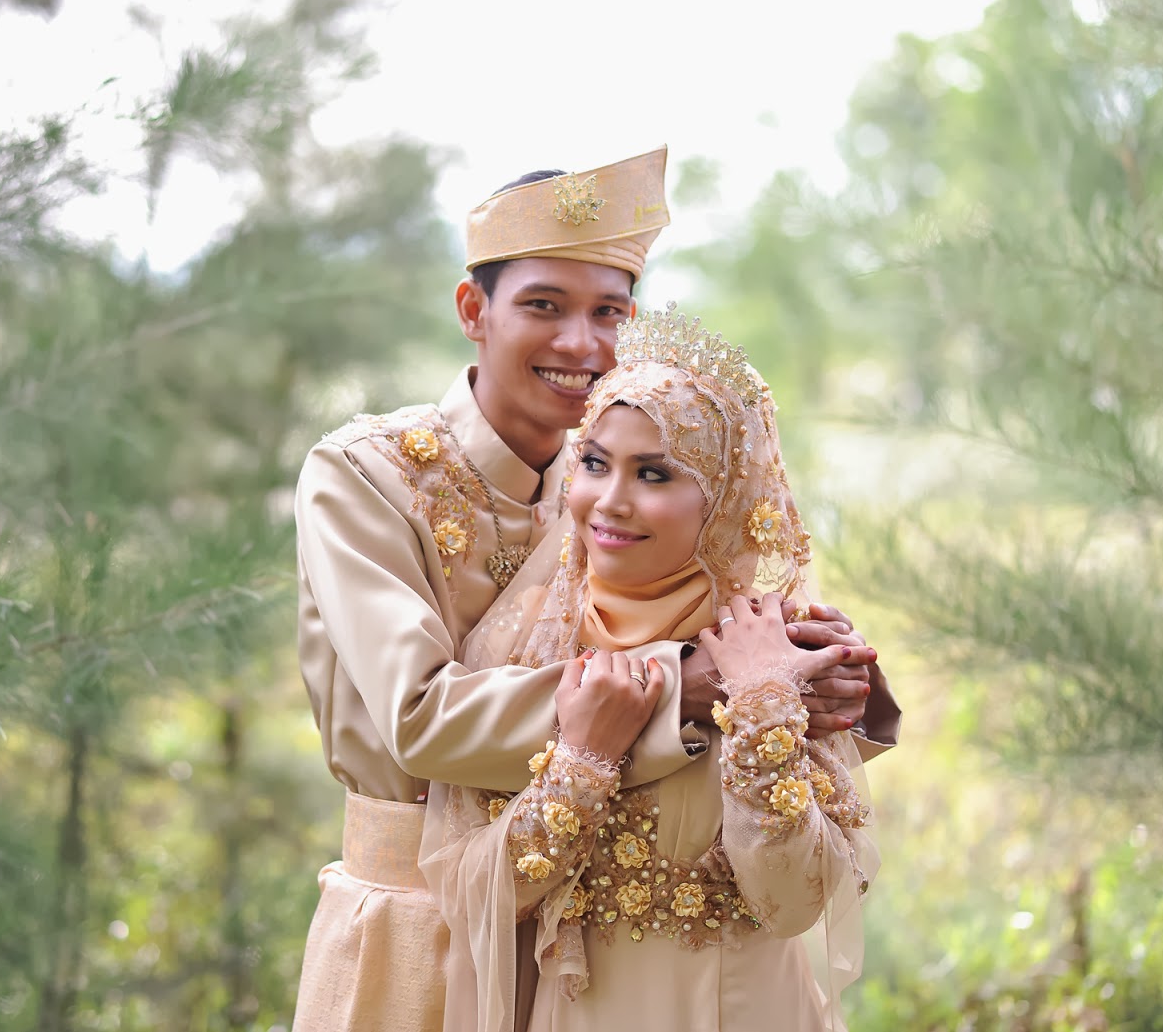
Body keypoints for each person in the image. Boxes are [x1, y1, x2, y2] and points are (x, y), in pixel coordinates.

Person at [293, 150, 897, 1031]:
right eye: (544, 305)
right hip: (420, 932)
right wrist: (686, 686)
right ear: (474, 310)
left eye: (608, 310)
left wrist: (813, 677)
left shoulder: (628, 482)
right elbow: (419, 717)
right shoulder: (366, 475)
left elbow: (740, 670)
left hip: (586, 964)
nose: (581, 342)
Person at [420, 308, 879, 1032]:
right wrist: (582, 761)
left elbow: (795, 900)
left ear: (722, 497)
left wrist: (762, 703)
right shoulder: (522, 645)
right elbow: (471, 892)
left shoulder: (771, 645)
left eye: (654, 473)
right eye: (594, 463)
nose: (610, 501)